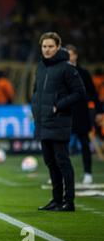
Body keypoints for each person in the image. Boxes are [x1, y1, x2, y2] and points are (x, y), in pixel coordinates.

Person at [32, 32, 85, 212]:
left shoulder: (67, 69)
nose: (47, 50)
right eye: (44, 46)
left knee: (62, 161)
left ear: (58, 47)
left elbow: (79, 93)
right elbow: (36, 92)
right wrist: (35, 111)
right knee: (50, 162)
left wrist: (58, 106)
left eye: (50, 47)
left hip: (59, 121)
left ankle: (69, 202)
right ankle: (56, 200)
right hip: (43, 122)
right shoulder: (40, 67)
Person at [66, 44, 103, 184]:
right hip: (65, 113)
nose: (69, 57)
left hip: (81, 112)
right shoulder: (60, 72)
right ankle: (60, 175)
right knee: (61, 145)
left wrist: (99, 111)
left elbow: (93, 93)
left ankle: (88, 173)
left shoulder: (83, 73)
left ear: (76, 56)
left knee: (85, 143)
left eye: (71, 54)